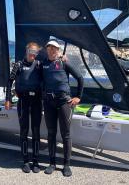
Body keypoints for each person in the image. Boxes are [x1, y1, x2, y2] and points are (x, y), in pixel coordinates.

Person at [41, 40, 84, 177]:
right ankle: (52, 163)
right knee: (51, 133)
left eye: (54, 48)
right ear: (46, 50)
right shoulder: (43, 64)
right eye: (50, 48)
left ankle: (66, 164)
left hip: (64, 102)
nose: (52, 50)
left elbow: (80, 78)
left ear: (58, 50)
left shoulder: (64, 63)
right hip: (49, 102)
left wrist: (78, 97)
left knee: (66, 134)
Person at [5, 42, 42, 173]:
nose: (33, 54)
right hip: (23, 102)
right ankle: (26, 161)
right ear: (26, 51)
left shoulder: (39, 65)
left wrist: (61, 59)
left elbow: (51, 75)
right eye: (31, 51)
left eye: (35, 52)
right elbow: (9, 81)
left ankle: (36, 161)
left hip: (37, 102)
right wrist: (8, 99)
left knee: (36, 132)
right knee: (24, 131)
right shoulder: (18, 65)